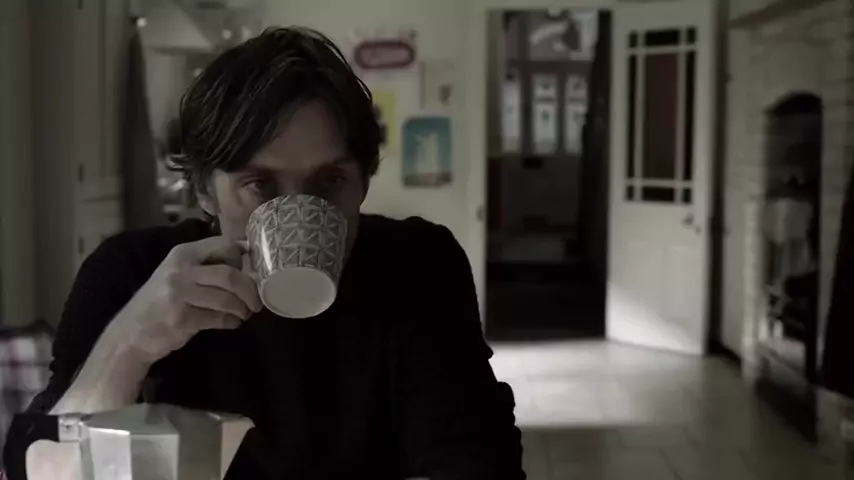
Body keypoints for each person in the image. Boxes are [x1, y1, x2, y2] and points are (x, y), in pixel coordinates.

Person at [3, 27, 523, 480]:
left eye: (331, 181)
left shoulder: (418, 266)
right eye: (260, 184)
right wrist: (130, 343)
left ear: (364, 182)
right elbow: (41, 470)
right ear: (205, 192)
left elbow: (477, 463)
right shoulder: (133, 272)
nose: (298, 210)